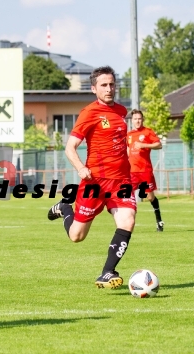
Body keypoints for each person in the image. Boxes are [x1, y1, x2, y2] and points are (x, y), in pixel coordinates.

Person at [47, 66, 137, 289]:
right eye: (104, 85)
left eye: (112, 84)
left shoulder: (121, 111)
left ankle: (107, 271)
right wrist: (80, 168)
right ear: (94, 88)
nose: (109, 89)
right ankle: (65, 209)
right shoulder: (89, 113)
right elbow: (70, 147)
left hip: (121, 181)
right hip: (95, 181)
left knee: (128, 221)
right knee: (77, 236)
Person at [127, 109, 164, 231]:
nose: (137, 121)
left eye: (139, 119)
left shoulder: (148, 132)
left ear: (142, 120)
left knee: (150, 197)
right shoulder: (129, 135)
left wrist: (144, 145)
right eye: (135, 119)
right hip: (132, 172)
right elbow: (128, 150)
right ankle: (127, 222)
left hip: (145, 171)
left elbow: (159, 145)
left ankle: (159, 220)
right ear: (132, 121)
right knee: (127, 196)